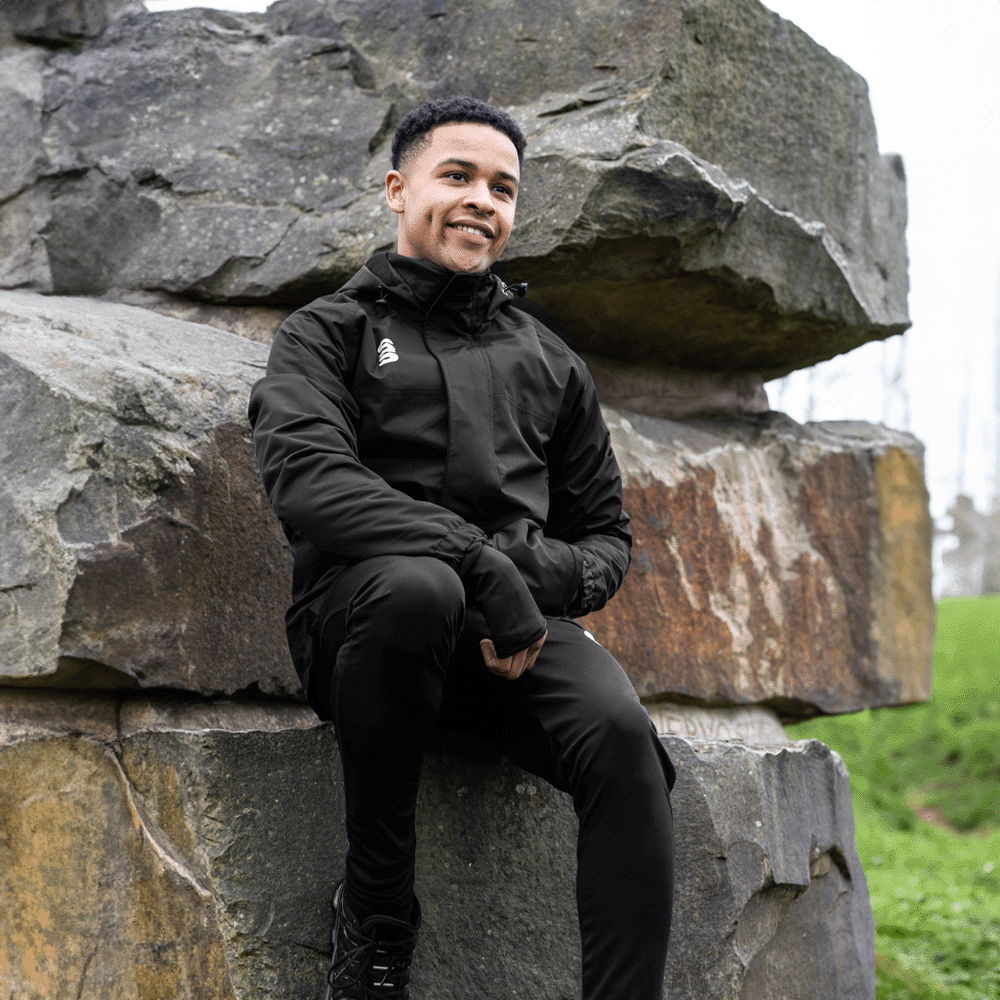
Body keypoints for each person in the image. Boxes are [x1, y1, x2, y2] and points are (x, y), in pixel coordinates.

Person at [248, 95, 675, 1000]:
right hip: (369, 634)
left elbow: (606, 537)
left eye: (503, 188)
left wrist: (528, 578)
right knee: (419, 588)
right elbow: (309, 481)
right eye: (458, 176)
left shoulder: (551, 361)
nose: (483, 199)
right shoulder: (327, 332)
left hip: (510, 639)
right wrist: (477, 562)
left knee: (620, 734)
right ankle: (377, 915)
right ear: (398, 190)